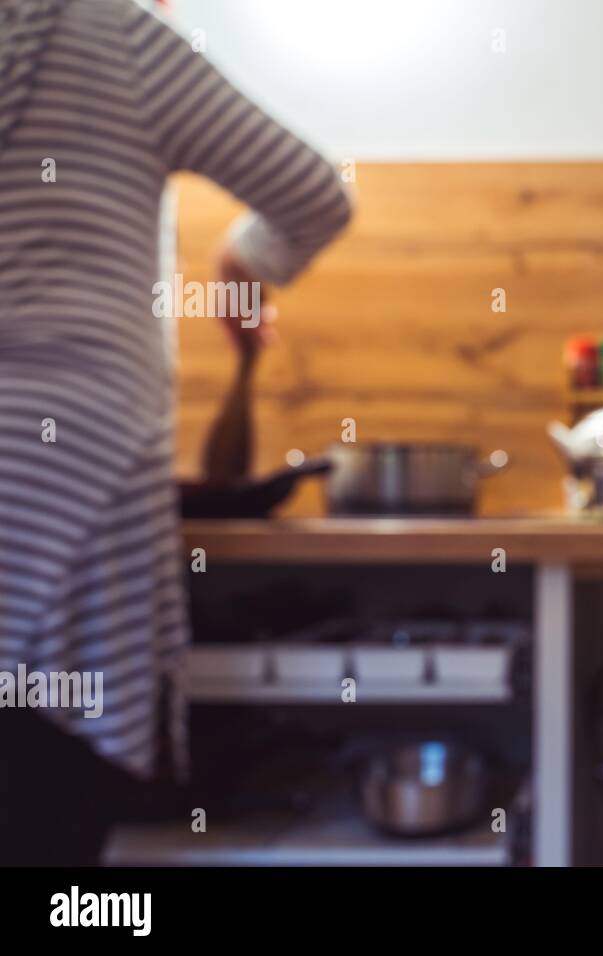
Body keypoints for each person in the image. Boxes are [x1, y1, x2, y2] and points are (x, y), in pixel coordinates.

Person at [0, 0, 353, 863]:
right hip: (73, 462)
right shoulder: (112, 34)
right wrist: (244, 263)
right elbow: (312, 194)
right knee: (44, 794)